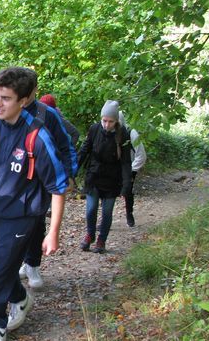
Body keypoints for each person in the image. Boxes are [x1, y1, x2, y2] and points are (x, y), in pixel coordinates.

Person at [0, 67, 69, 341]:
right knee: (3, 268)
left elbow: (58, 187)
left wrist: (53, 233)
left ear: (23, 100)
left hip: (23, 217)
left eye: (6, 98)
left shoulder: (37, 137)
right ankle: (21, 298)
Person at [17, 82, 79, 290]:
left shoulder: (48, 114)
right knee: (17, 223)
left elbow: (66, 143)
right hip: (15, 179)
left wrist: (68, 174)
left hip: (42, 178)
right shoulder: (8, 111)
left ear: (34, 90)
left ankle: (32, 264)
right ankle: (24, 262)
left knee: (35, 221)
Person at [77, 100, 132, 254]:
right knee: (91, 209)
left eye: (111, 121)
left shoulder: (123, 135)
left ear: (116, 121)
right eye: (104, 121)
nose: (107, 125)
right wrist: (72, 171)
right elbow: (84, 151)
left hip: (112, 180)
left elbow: (126, 162)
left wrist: (126, 184)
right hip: (94, 176)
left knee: (107, 212)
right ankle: (90, 234)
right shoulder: (94, 129)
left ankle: (102, 240)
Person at [119, 111, 147, 227]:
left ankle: (129, 213)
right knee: (107, 192)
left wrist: (132, 170)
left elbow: (141, 155)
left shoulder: (132, 133)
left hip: (129, 166)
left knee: (127, 191)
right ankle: (106, 219)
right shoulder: (107, 131)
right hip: (113, 166)